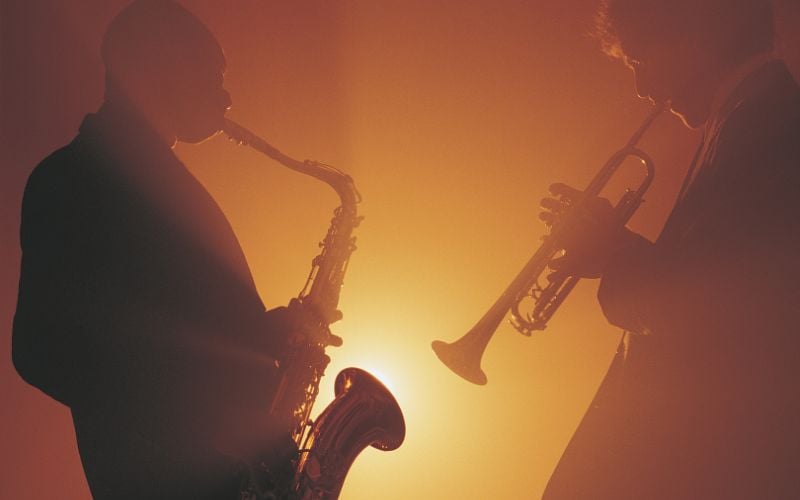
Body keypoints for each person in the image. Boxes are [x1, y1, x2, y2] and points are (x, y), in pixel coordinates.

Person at [12, 1, 318, 498]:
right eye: (212, 73)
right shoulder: (73, 179)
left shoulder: (156, 180)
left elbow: (177, 335)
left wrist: (263, 336)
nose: (226, 96)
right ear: (157, 64)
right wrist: (213, 426)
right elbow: (40, 351)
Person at [541, 1, 800, 498]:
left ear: (694, 35)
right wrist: (616, 246)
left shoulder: (767, 123)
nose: (642, 87)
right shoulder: (745, 116)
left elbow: (715, 313)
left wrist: (613, 252)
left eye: (641, 59)